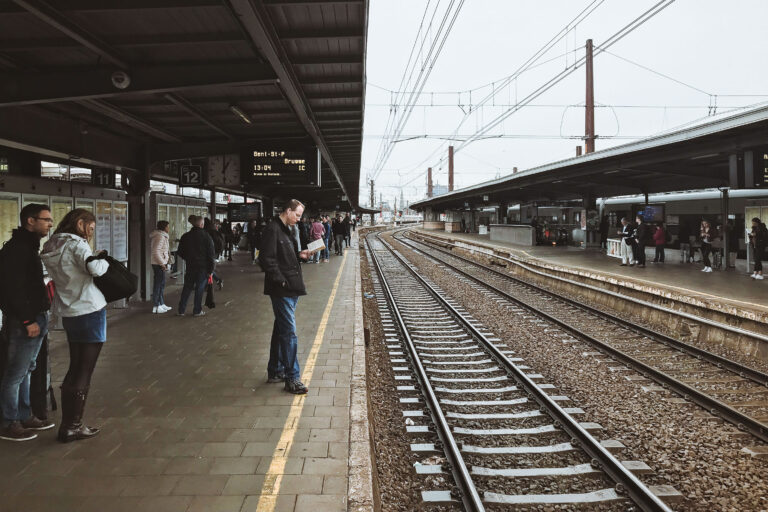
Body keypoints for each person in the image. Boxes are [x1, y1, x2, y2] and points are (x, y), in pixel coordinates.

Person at [41, 209, 109, 443]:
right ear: (80, 223)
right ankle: (73, 426)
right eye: (90, 226)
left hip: (70, 312)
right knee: (84, 370)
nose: (91, 231)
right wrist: (103, 258)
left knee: (75, 366)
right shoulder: (76, 244)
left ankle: (69, 424)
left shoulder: (52, 244)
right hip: (90, 310)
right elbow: (95, 269)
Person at [0, 204, 54, 442]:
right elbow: (12, 290)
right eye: (46, 220)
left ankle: (24, 414)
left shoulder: (28, 247)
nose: (50, 224)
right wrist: (27, 319)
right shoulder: (17, 250)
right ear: (30, 221)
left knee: (27, 369)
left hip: (36, 316)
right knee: (15, 373)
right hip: (25, 320)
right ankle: (9, 422)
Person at [258, 199, 315, 394]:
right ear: (288, 211)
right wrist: (280, 280)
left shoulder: (286, 230)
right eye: (297, 215)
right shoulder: (273, 229)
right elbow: (266, 259)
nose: (298, 220)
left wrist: (301, 255)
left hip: (291, 287)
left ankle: (275, 370)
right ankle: (292, 378)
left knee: (280, 330)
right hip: (282, 290)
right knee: (289, 333)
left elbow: (283, 256)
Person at [176, 216, 215, 317]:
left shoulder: (185, 236)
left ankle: (181, 310)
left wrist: (188, 258)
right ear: (202, 224)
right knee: (199, 289)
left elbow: (180, 252)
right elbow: (211, 255)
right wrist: (211, 270)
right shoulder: (207, 236)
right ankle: (197, 311)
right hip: (203, 268)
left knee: (187, 288)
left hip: (190, 266)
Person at [150, 220, 172, 314]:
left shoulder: (162, 236)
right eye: (167, 226)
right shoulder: (160, 237)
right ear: (164, 228)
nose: (169, 228)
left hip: (159, 263)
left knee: (161, 284)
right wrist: (162, 264)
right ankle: (156, 305)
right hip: (158, 264)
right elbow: (155, 251)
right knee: (158, 285)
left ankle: (161, 303)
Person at [204, 218, 224, 290]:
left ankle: (210, 283)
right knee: (209, 268)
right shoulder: (213, 230)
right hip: (215, 252)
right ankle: (216, 281)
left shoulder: (207, 231)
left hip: (211, 252)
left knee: (208, 269)